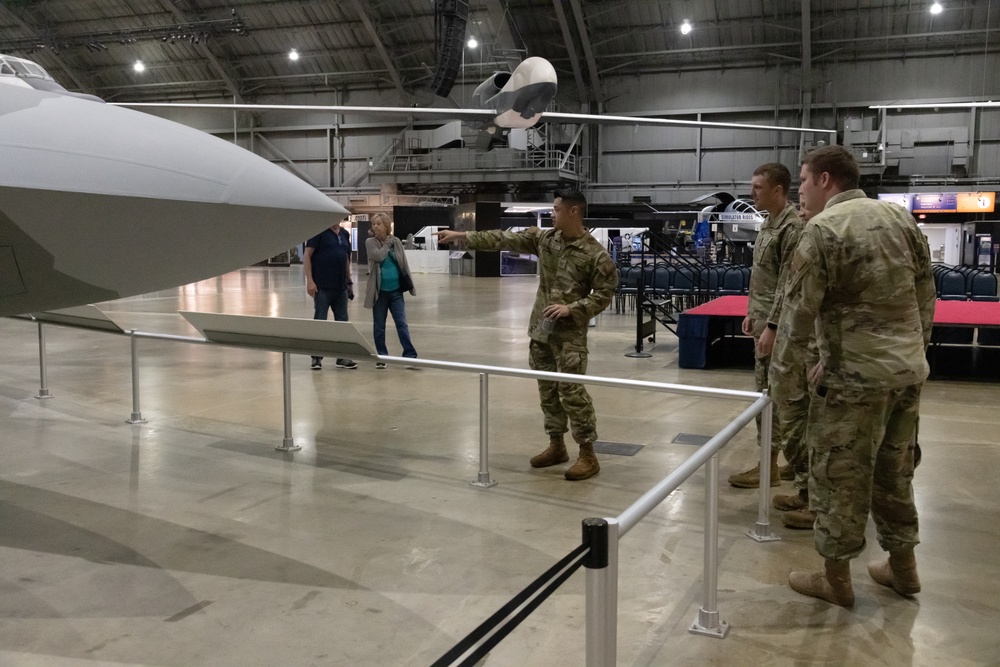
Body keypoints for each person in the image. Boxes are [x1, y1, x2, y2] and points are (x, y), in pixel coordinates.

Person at [771, 145, 935, 607]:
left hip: (853, 380)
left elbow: (797, 318)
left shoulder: (822, 230)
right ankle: (904, 570)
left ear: (825, 180)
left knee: (838, 478)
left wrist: (784, 391)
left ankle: (836, 580)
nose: (801, 191)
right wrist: (912, 355)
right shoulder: (901, 220)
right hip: (906, 374)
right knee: (894, 472)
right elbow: (926, 298)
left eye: (803, 181)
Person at [435, 188, 618, 481]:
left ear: (574, 211)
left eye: (556, 209)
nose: (551, 212)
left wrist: (573, 309)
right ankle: (557, 446)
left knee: (572, 392)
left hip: (570, 338)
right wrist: (462, 236)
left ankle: (588, 454)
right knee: (547, 391)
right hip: (541, 334)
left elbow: (605, 294)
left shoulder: (595, 254)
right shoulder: (545, 240)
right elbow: (503, 238)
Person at [729, 163, 804, 489]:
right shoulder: (768, 225)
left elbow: (789, 284)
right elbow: (764, 279)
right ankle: (778, 462)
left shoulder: (792, 228)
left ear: (778, 190)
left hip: (781, 331)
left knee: (777, 399)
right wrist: (753, 313)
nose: (751, 193)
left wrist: (772, 326)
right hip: (764, 324)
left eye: (758, 187)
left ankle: (773, 467)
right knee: (767, 396)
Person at [364, 212, 418, 368]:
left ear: (386, 226)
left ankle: (410, 355)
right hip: (379, 292)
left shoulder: (396, 242)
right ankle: (382, 356)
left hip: (396, 292)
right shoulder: (370, 242)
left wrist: (411, 286)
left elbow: (404, 263)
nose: (375, 226)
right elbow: (378, 257)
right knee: (379, 325)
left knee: (402, 324)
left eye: (378, 224)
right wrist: (387, 244)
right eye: (373, 224)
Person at [304, 217, 357, 370]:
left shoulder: (345, 234)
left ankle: (342, 357)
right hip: (322, 287)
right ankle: (316, 357)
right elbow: (307, 255)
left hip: (340, 287)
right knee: (320, 320)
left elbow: (346, 259)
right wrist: (310, 281)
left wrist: (349, 282)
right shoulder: (319, 232)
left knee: (342, 322)